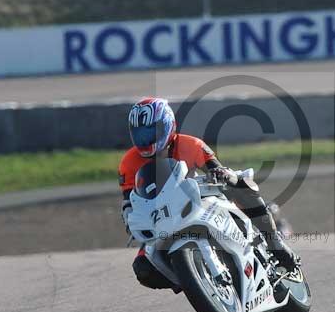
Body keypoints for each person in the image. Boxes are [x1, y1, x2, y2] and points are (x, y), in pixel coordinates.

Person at [118, 97, 300, 290]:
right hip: (162, 218)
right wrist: (129, 217)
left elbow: (217, 168)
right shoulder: (128, 162)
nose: (146, 140)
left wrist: (222, 174)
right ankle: (193, 281)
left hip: (198, 200)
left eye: (152, 131)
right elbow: (130, 201)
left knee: (241, 185)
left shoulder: (191, 144)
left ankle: (275, 244)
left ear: (168, 124)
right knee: (143, 268)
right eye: (140, 134)